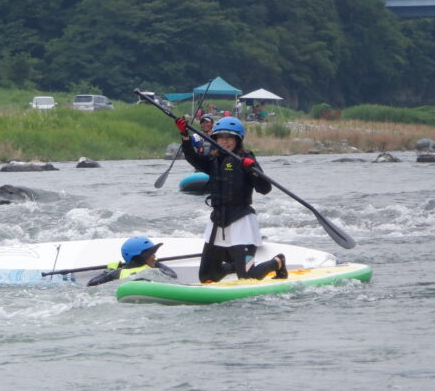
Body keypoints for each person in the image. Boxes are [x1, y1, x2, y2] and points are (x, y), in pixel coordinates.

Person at [173, 115, 288, 283]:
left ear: (237, 140)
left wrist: (253, 170)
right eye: (220, 137)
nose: (224, 142)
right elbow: (193, 157)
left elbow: (265, 189)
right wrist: (184, 135)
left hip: (241, 221)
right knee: (207, 277)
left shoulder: (246, 159)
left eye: (229, 138)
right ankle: (235, 265)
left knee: (247, 278)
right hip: (218, 220)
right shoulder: (213, 159)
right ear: (215, 138)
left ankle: (277, 262)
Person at [87, 236, 178, 287]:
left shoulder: (117, 273)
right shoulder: (155, 270)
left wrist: (109, 270)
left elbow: (91, 284)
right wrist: (157, 263)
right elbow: (173, 275)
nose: (154, 256)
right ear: (140, 256)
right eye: (151, 254)